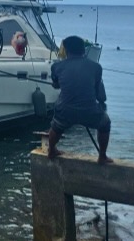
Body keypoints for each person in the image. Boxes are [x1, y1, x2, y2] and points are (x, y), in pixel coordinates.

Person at [47, 35, 112, 164]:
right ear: (83, 50)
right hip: (88, 110)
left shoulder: (56, 67)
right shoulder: (96, 67)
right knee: (105, 123)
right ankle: (102, 156)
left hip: (65, 110)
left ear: (66, 50)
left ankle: (51, 150)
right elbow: (99, 94)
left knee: (56, 126)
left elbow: (56, 84)